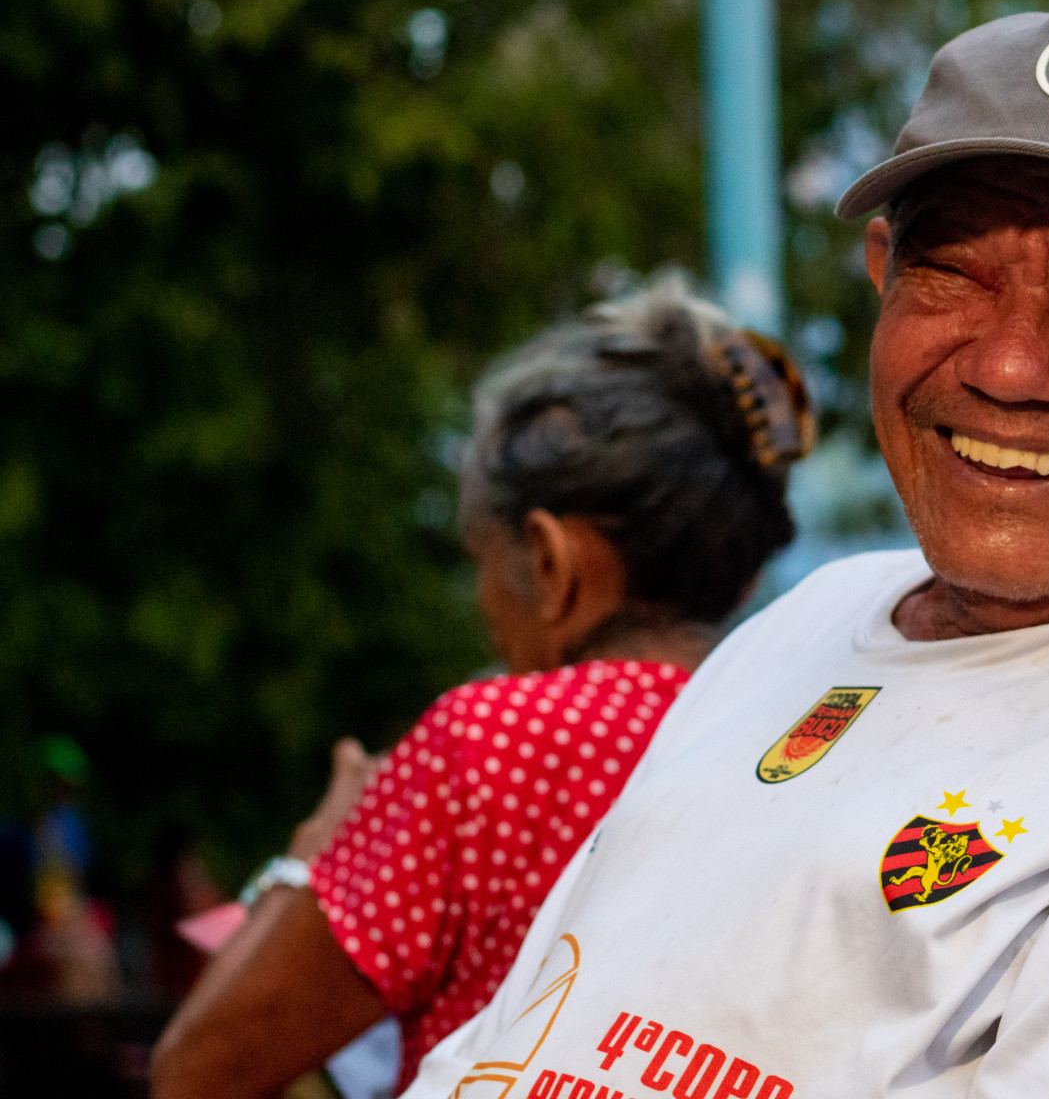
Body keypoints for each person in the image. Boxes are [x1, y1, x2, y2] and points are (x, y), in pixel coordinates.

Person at [402, 0, 1049, 1099]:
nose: (1013, 366)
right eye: (954, 274)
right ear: (882, 274)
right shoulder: (817, 618)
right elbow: (523, 1030)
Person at [151, 277, 813, 1097]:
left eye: (480, 561)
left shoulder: (492, 750)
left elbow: (196, 1072)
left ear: (549, 560)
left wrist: (309, 859)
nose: (482, 603)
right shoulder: (807, 733)